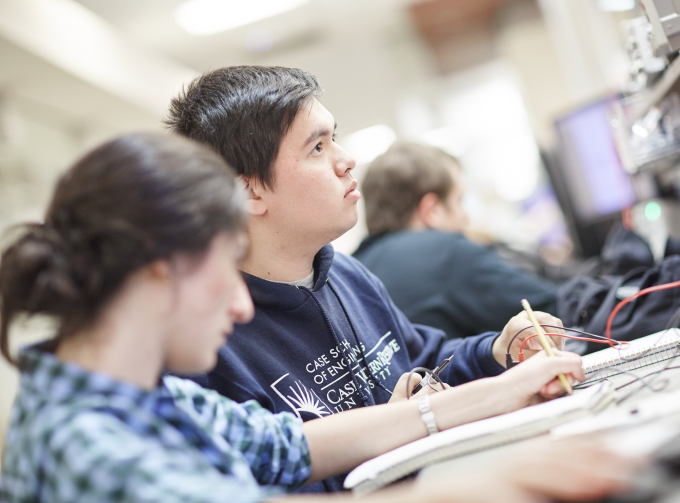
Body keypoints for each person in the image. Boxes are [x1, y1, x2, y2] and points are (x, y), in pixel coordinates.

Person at [0, 132, 638, 503]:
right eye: (225, 270)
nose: (241, 303)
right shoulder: (87, 443)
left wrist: (499, 388)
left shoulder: (140, 393)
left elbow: (293, 445)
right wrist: (493, 485)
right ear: (157, 270)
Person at [166, 66, 570, 493]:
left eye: (333, 137)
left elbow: (423, 358)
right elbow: (267, 479)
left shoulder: (345, 273)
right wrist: (395, 435)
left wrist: (495, 350)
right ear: (249, 192)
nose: (346, 160)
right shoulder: (208, 343)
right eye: (317, 147)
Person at [353, 142, 559, 340]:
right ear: (432, 210)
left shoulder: (350, 274)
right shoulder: (445, 253)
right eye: (459, 200)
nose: (466, 217)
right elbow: (556, 309)